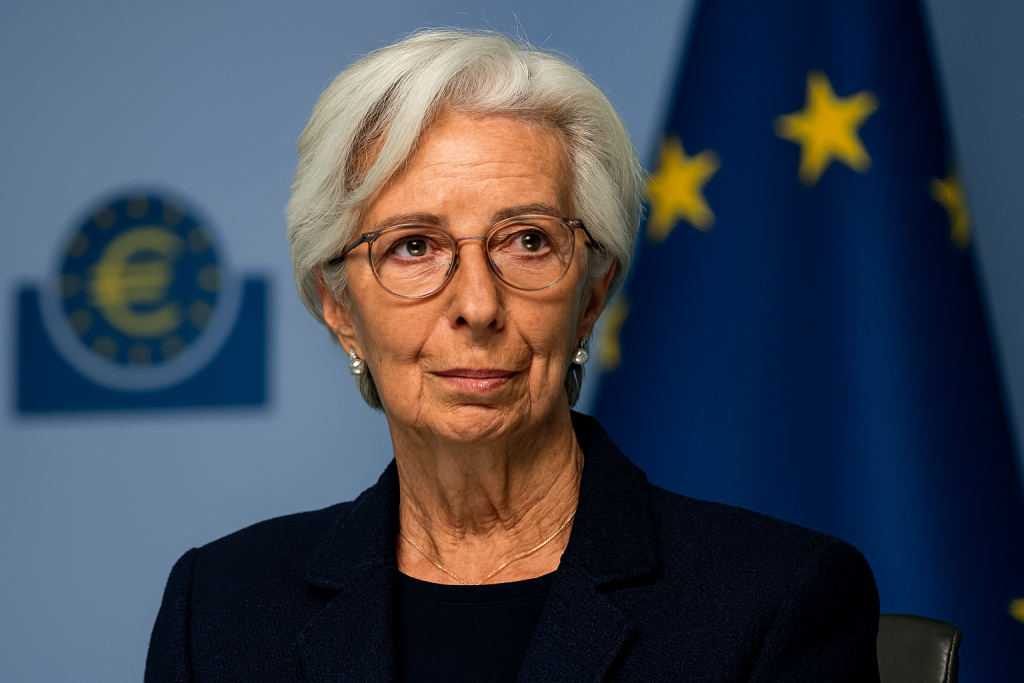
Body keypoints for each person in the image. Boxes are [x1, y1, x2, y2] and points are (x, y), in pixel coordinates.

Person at [145, 29, 881, 682]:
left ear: (591, 294)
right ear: (340, 309)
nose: (478, 304)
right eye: (413, 246)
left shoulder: (775, 598)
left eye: (528, 240)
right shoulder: (219, 605)